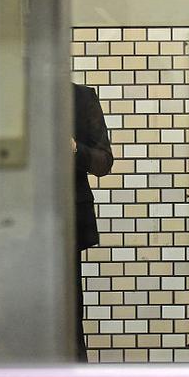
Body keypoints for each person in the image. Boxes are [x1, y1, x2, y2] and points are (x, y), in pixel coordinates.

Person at [73, 82, 113, 362]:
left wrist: (76, 148)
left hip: (69, 221)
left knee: (70, 310)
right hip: (13, 221)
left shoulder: (81, 97)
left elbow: (103, 162)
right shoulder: (11, 96)